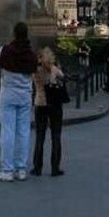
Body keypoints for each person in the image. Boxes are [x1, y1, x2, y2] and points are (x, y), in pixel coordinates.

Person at [0, 22, 37, 182]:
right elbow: (34, 71)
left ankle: (7, 169)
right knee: (23, 131)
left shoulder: (5, 50)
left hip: (8, 93)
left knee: (7, 131)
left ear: (14, 34)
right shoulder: (31, 54)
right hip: (25, 94)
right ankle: (21, 168)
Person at [32, 47, 66, 177]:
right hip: (55, 104)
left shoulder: (36, 70)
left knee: (40, 136)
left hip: (40, 103)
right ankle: (55, 167)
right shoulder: (54, 69)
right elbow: (63, 78)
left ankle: (37, 167)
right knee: (56, 135)